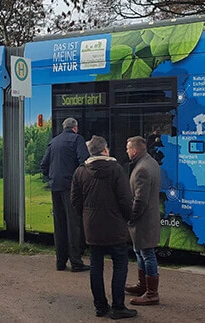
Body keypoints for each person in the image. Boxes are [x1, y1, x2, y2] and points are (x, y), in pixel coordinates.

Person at [71, 136, 136, 319]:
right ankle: (118, 307)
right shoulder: (116, 169)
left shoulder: (80, 171)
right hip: (115, 227)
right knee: (120, 265)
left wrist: (85, 216)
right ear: (105, 150)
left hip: (92, 227)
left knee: (96, 266)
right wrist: (128, 217)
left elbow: (74, 201)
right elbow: (125, 199)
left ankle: (100, 307)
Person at [40, 117, 90, 272]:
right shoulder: (77, 139)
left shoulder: (54, 141)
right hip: (71, 187)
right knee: (73, 224)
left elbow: (44, 164)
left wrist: (52, 177)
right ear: (75, 127)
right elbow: (85, 161)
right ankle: (76, 262)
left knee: (59, 224)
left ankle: (60, 262)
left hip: (55, 186)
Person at [124, 136, 162, 305]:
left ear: (135, 150)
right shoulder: (151, 162)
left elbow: (140, 200)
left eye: (127, 148)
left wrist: (130, 216)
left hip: (143, 220)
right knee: (139, 251)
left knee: (147, 254)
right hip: (148, 218)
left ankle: (152, 293)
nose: (126, 151)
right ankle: (142, 286)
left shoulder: (142, 169)